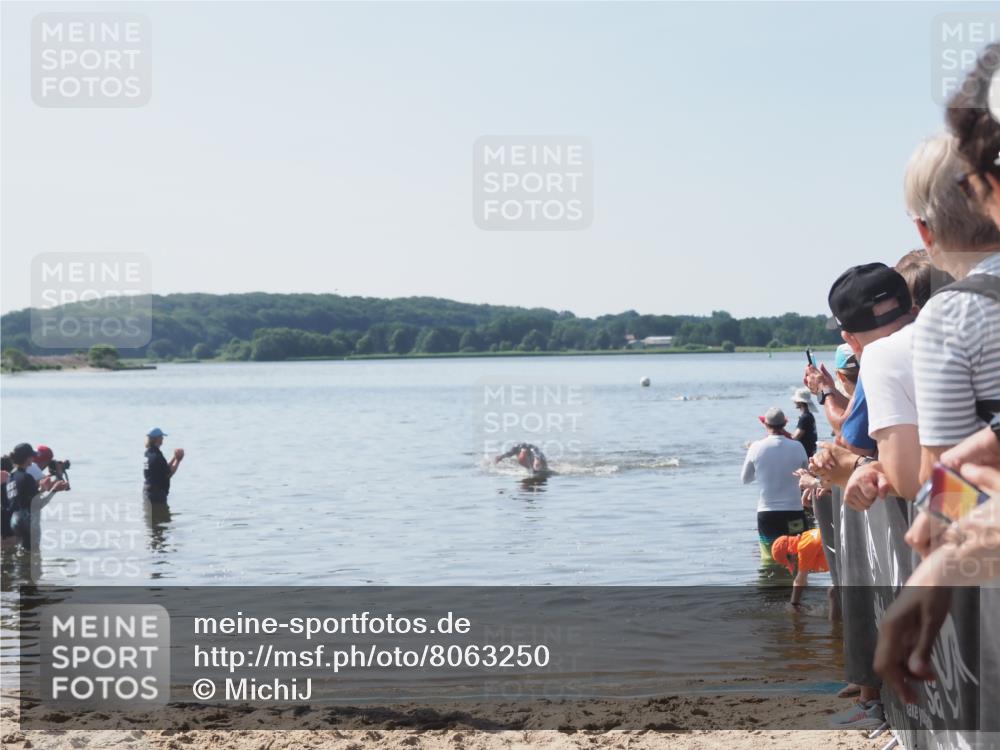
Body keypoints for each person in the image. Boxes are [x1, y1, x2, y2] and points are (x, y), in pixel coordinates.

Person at [741, 407, 808, 566]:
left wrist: (764, 470)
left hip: (768, 514)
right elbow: (807, 474)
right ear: (785, 424)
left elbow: (745, 479)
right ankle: (796, 589)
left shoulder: (755, 447)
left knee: (770, 560)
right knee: (797, 558)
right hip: (794, 512)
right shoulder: (797, 446)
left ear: (765, 424)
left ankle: (772, 589)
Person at [6, 443, 69, 551]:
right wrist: (54, 491)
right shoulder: (27, 478)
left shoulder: (11, 477)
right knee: (31, 558)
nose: (34, 459)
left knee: (20, 555)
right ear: (28, 459)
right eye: (32, 456)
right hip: (25, 522)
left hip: (13, 521)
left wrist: (42, 489)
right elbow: (38, 504)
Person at [771, 528, 829, 607]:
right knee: (833, 594)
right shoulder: (806, 537)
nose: (794, 564)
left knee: (833, 594)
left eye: (791, 562)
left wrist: (794, 605)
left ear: (790, 552)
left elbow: (799, 581)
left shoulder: (803, 547)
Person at [143, 428, 184, 503]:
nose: (162, 439)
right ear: (157, 439)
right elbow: (168, 473)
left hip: (147, 491)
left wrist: (174, 457)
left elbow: (163, 468)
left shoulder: (147, 453)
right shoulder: (157, 456)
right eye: (161, 437)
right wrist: (178, 460)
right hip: (157, 494)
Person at [790, 388, 819, 458]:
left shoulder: (805, 418)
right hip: (811, 452)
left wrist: (782, 436)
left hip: (805, 454)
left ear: (800, 402)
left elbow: (795, 437)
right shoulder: (809, 416)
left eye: (796, 400)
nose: (794, 401)